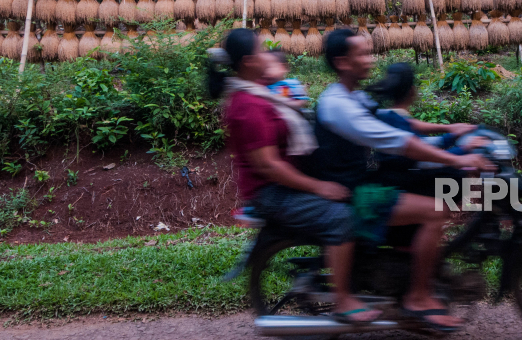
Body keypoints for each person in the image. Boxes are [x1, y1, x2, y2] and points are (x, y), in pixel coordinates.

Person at [303, 28, 494, 331]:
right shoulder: (338, 104)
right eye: (362, 54)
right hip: (357, 192)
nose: (370, 60)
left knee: (428, 193)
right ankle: (417, 298)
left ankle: (411, 280)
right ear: (342, 62)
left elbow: (401, 122)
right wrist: (458, 158)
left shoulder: (354, 96)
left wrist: (449, 128)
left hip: (366, 180)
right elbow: (399, 140)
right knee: (436, 211)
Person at [208, 29, 381, 324]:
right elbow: (269, 166)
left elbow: (281, 80)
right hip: (273, 193)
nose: (270, 55)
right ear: (249, 61)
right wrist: (320, 187)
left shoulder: (256, 87)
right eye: (263, 51)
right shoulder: (247, 106)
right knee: (340, 216)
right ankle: (343, 301)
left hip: (285, 183)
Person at [366, 62, 487, 199]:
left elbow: (422, 144)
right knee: (455, 178)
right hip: (401, 184)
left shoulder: (386, 115)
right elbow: (426, 159)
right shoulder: (398, 121)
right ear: (412, 91)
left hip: (394, 179)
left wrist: (452, 135)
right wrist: (464, 149)